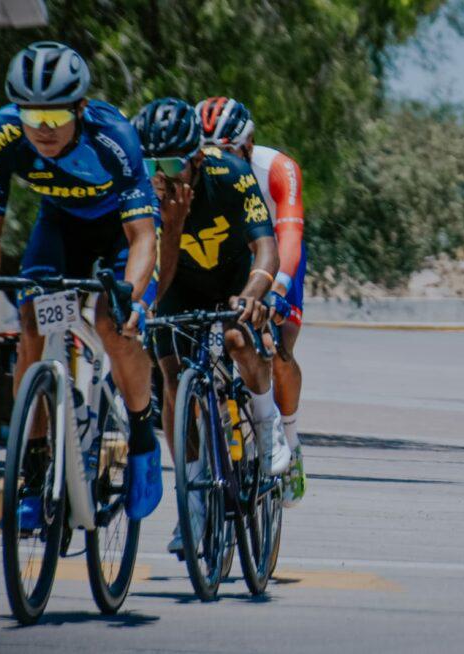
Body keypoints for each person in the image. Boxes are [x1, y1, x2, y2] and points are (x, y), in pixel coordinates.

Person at [0, 42, 163, 525]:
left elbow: (143, 238)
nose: (43, 130)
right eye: (32, 115)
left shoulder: (115, 136)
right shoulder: (2, 134)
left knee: (112, 324)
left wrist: (132, 299)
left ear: (80, 107)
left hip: (120, 230)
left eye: (55, 117)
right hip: (59, 226)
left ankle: (141, 436)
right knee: (32, 323)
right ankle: (35, 473)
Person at [133, 98, 291, 553]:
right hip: (176, 282)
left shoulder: (230, 174)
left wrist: (254, 293)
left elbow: (266, 248)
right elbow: (155, 279)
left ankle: (266, 423)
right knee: (170, 372)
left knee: (239, 337)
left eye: (171, 164)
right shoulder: (144, 189)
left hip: (231, 276)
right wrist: (173, 222)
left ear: (197, 158)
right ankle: (194, 493)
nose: (160, 174)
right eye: (151, 163)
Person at [195, 96, 306, 507]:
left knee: (279, 348)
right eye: (204, 153)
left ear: (248, 144)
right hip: (225, 249)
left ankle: (288, 442)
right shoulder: (192, 175)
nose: (213, 162)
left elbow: (290, 234)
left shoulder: (276, 167)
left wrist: (278, 290)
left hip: (275, 246)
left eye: (224, 152)